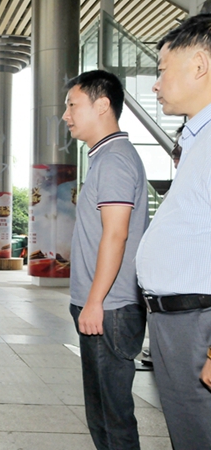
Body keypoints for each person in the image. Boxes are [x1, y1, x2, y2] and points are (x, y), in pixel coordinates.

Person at [135, 13, 211, 449]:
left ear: (200, 65)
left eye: (162, 70)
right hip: (179, 320)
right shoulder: (197, 138)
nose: (156, 85)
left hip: (199, 323)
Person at [63, 70, 149, 450]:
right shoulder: (104, 157)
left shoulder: (114, 159)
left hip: (110, 308)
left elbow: (116, 234)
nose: (66, 115)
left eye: (72, 105)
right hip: (103, 305)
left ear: (102, 105)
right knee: (101, 412)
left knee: (112, 417)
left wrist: (95, 301)